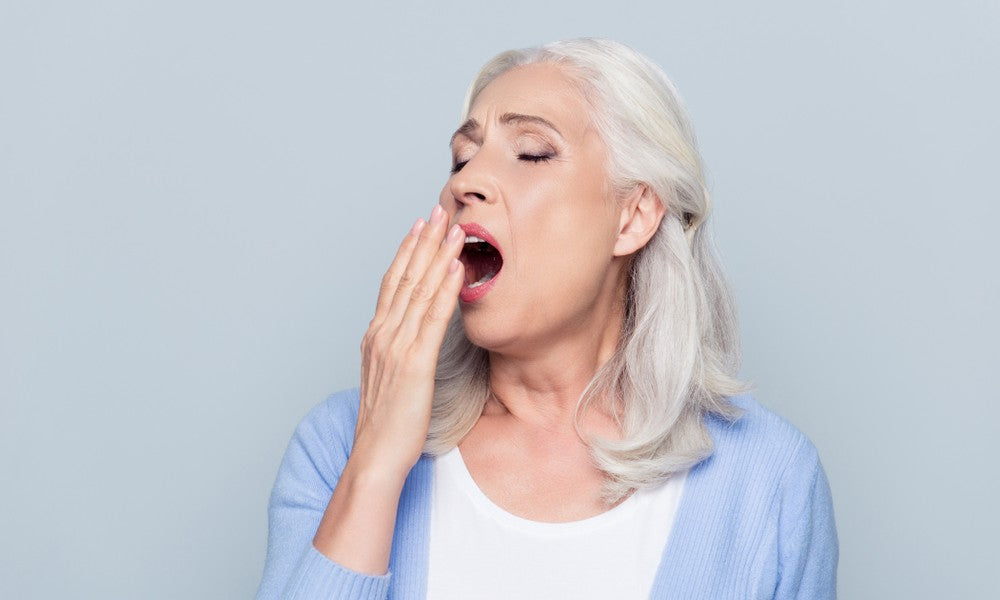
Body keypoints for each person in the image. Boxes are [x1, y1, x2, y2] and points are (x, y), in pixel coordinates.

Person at [254, 38, 837, 599]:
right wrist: (376, 464)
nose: (464, 182)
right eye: (461, 158)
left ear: (633, 215)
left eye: (531, 153)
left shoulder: (769, 479)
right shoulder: (338, 445)